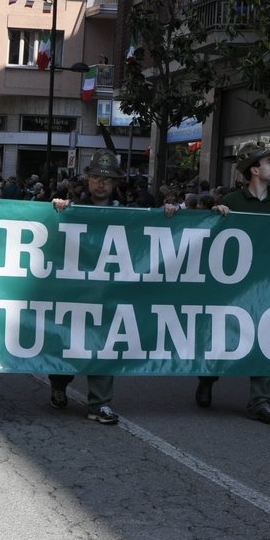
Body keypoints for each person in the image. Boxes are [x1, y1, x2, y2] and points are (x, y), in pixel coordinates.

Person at [48, 150, 178, 424]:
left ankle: (100, 404)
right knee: (68, 346)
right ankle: (59, 383)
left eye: (107, 179)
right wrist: (56, 208)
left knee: (104, 347)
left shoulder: (127, 215)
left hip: (109, 294)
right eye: (96, 177)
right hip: (76, 292)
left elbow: (150, 236)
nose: (101, 183)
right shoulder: (70, 209)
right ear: (87, 179)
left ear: (115, 183)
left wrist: (170, 215)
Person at [196, 141, 270, 425]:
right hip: (233, 287)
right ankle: (207, 378)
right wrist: (215, 217)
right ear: (255, 170)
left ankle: (260, 400)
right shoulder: (231, 203)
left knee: (266, 338)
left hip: (265, 287)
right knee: (224, 338)